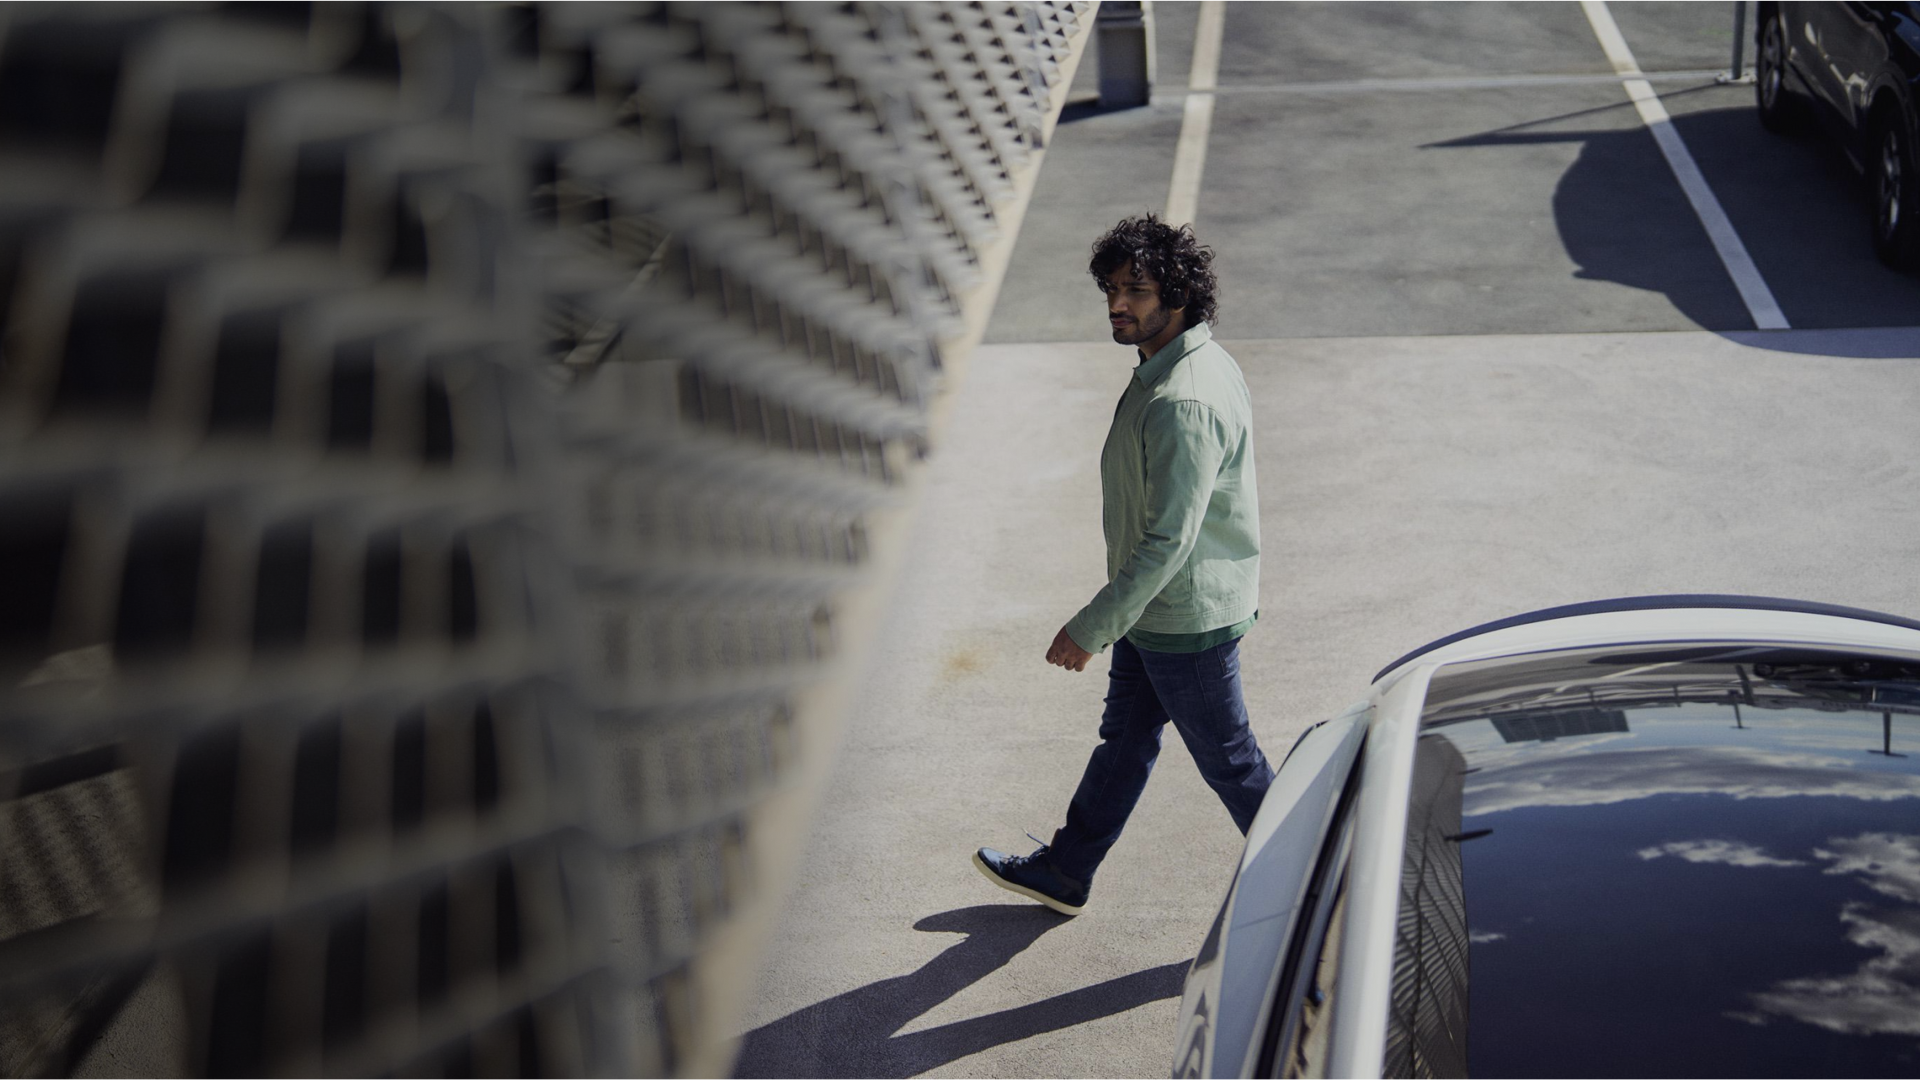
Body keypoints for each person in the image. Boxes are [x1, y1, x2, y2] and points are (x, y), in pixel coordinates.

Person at [974, 214, 1274, 916]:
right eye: (1111, 288)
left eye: (1136, 289)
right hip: (1157, 612)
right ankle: (1067, 871)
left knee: (1232, 764)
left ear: (1178, 293)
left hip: (1182, 620)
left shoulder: (1183, 400)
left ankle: (1327, 889)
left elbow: (1169, 540)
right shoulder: (1174, 368)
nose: (1117, 303)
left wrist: (1092, 625)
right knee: (1126, 739)